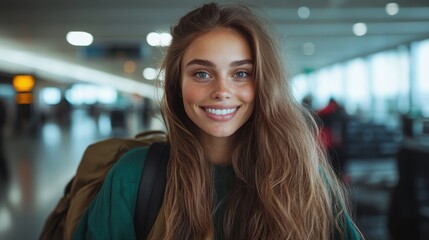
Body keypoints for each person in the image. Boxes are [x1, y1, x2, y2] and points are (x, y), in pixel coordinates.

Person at [73, 3, 363, 239]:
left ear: (263, 83)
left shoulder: (301, 175)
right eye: (202, 73)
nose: (222, 91)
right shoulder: (133, 177)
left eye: (240, 74)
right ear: (177, 84)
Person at [317, 98, 348, 181]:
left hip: (329, 144)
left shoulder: (325, 112)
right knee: (336, 165)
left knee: (332, 164)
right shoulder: (339, 113)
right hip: (333, 144)